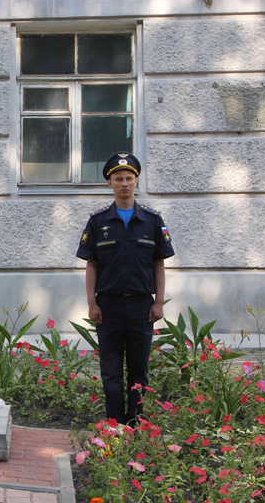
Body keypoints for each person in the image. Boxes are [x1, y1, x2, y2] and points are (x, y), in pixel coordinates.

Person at [76, 151, 174, 425]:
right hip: (108, 307)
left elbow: (159, 264)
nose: (124, 183)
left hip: (141, 306)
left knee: (139, 370)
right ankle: (115, 424)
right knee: (110, 370)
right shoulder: (98, 222)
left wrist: (159, 302)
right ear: (110, 183)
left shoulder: (152, 221)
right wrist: (92, 303)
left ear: (136, 181)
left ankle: (136, 423)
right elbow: (92, 265)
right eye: (118, 179)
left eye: (129, 178)